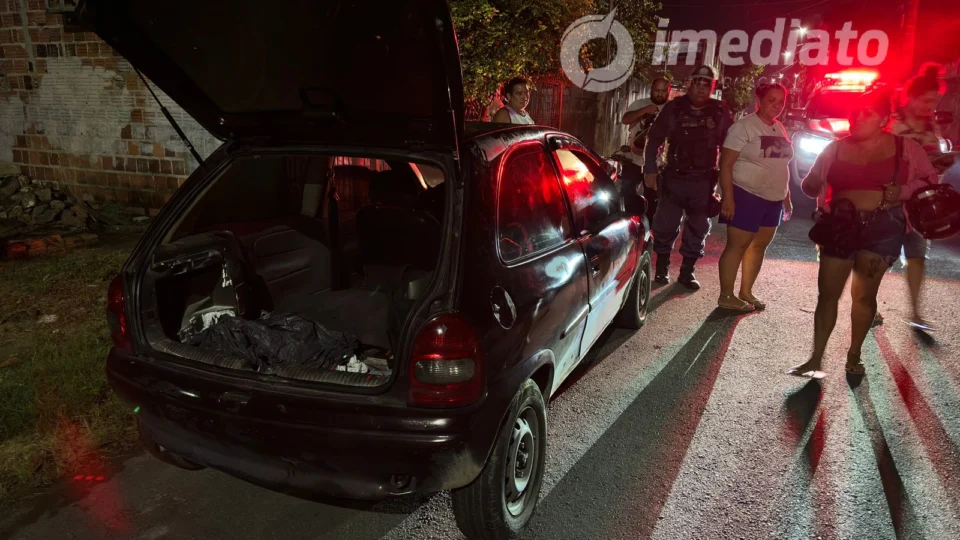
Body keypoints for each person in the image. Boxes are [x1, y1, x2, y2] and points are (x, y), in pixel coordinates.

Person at [788, 88, 939, 379]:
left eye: (866, 113)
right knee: (827, 294)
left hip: (883, 228)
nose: (857, 118)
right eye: (855, 112)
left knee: (863, 296)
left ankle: (854, 354)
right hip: (839, 228)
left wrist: (903, 191)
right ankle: (815, 358)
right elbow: (809, 185)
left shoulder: (905, 148)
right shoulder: (835, 148)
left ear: (882, 118)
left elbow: (929, 181)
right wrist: (813, 182)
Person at [643, 65, 735, 289]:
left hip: (703, 181)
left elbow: (731, 148)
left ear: (712, 87)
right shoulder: (674, 108)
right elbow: (654, 138)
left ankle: (687, 272)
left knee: (698, 228)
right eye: (697, 82)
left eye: (706, 84)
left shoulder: (720, 112)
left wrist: (728, 184)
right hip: (674, 178)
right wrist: (650, 169)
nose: (701, 88)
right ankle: (662, 268)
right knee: (665, 225)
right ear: (689, 84)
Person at [883, 63, 953, 330]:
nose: (929, 107)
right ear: (910, 97)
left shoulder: (928, 128)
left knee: (917, 258)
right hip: (891, 204)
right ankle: (868, 303)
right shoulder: (893, 127)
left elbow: (931, 161)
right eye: (926, 101)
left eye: (933, 102)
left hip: (920, 207)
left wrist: (944, 160)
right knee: (882, 257)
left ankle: (915, 313)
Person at [716, 82, 794, 311]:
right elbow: (725, 164)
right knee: (737, 246)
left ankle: (746, 292)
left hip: (773, 198)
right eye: (771, 100)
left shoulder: (778, 127)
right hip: (746, 194)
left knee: (759, 246)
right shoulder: (743, 127)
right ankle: (726, 296)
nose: (777, 105)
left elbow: (782, 165)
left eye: (781, 101)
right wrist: (728, 197)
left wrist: (786, 196)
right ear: (759, 101)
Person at [622, 77, 671, 224]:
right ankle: (632, 223)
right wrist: (645, 110)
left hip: (656, 163)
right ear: (651, 89)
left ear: (668, 91)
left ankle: (649, 227)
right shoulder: (640, 104)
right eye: (657, 90)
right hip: (633, 159)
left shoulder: (672, 109)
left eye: (663, 91)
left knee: (653, 198)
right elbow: (625, 119)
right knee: (627, 193)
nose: (659, 94)